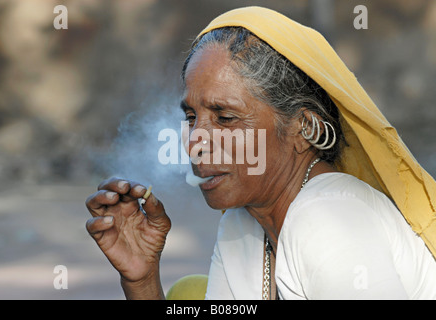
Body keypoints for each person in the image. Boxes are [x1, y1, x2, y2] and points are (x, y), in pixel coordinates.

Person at [85, 6, 436, 300]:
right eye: (191, 117)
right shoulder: (241, 224)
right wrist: (142, 280)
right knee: (187, 296)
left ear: (303, 128)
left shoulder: (329, 220)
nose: (195, 141)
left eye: (225, 118)